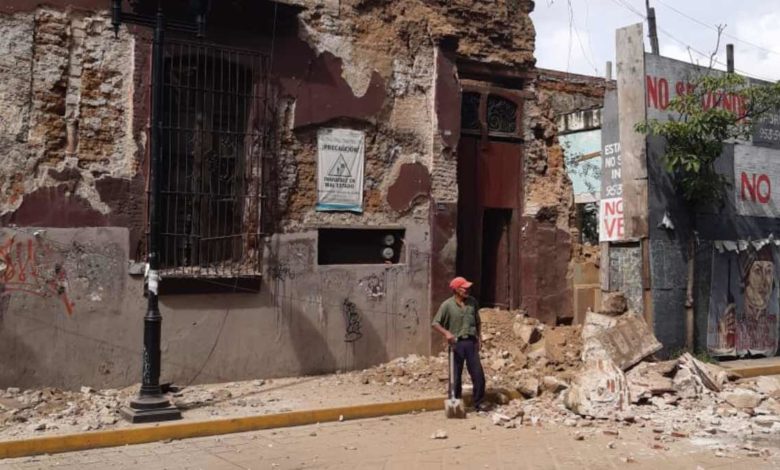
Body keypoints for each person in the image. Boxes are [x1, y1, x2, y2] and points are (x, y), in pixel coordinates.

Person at [431, 276, 487, 411]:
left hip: (471, 343)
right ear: (456, 290)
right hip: (456, 344)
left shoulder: (472, 302)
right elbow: (435, 323)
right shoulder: (447, 305)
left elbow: (478, 321)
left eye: (468, 287)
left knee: (478, 374)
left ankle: (479, 402)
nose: (468, 290)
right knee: (455, 377)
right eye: (464, 288)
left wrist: (479, 338)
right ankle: (455, 404)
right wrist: (446, 333)